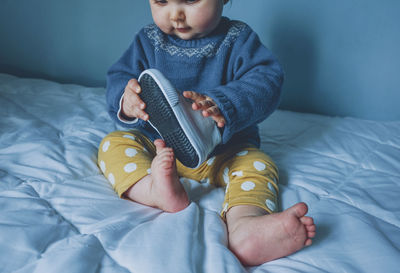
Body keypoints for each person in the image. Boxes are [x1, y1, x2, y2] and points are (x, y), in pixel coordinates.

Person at [98, 0, 316, 266]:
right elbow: (119, 76)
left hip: (223, 151)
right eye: (161, 1)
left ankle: (245, 226)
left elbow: (267, 81)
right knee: (112, 144)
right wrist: (127, 99)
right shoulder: (148, 40)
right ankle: (154, 189)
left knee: (258, 165)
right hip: (158, 148)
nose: (175, 14)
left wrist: (225, 104)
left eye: (190, 0)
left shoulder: (238, 40)